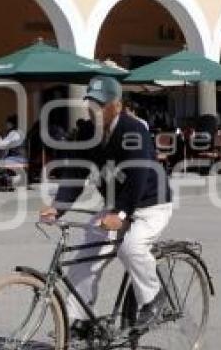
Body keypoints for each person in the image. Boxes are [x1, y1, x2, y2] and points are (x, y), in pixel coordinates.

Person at [40, 76, 173, 334]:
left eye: (101, 105)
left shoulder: (134, 130)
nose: (94, 110)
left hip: (150, 204)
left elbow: (137, 176)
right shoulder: (87, 133)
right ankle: (78, 317)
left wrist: (121, 213)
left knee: (131, 247)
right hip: (116, 206)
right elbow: (76, 173)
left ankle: (154, 299)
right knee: (87, 252)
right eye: (91, 104)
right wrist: (58, 207)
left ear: (117, 106)